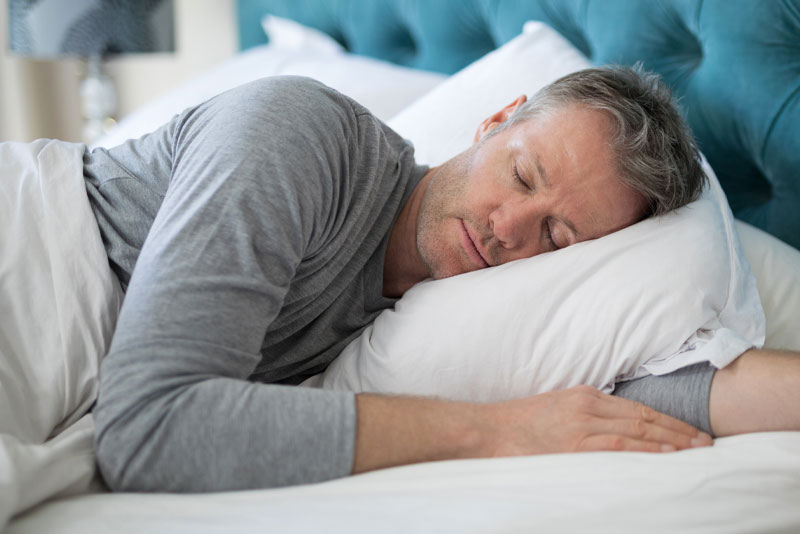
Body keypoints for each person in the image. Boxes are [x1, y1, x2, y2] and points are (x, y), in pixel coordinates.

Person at [89, 66, 799, 493]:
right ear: (491, 122)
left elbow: (681, 393)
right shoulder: (300, 136)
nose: (510, 227)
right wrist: (494, 432)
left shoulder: (457, 329)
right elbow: (147, 430)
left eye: (557, 236)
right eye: (521, 175)